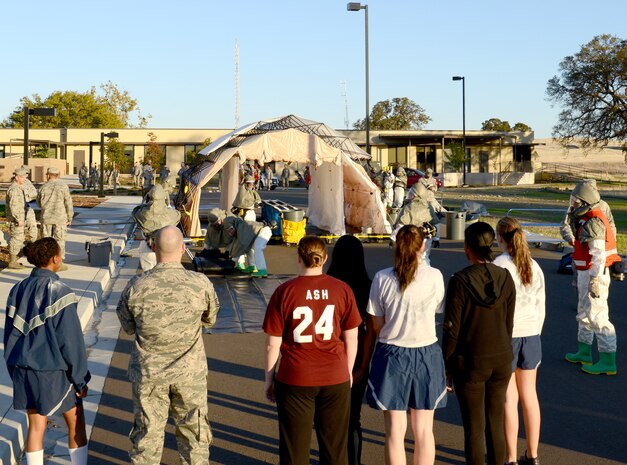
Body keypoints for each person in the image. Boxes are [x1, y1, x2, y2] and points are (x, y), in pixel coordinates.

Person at [116, 226, 220, 465]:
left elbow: (128, 326)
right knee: (194, 437)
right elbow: (210, 319)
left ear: (153, 248)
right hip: (189, 373)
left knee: (147, 439)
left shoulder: (137, 285)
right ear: (183, 248)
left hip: (149, 374)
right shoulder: (200, 283)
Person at [263, 236, 361, 465]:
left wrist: (269, 379)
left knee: (294, 451)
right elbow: (352, 337)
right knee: (335, 450)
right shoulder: (342, 289)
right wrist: (347, 372)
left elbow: (272, 343)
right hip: (334, 375)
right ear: (324, 258)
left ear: (298, 258)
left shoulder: (284, 291)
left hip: (295, 376)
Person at [365, 225, 447, 465]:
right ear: (422, 246)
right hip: (426, 353)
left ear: (396, 245)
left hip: (391, 354)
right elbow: (437, 310)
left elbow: (377, 325)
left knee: (394, 431)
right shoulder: (435, 276)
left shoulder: (382, 278)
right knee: (423, 431)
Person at [4, 237, 90, 465]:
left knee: (36, 425)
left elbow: (9, 335)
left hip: (24, 369)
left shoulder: (17, 290)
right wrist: (80, 379)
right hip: (54, 373)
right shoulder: (61, 292)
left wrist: (14, 369)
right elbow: (71, 342)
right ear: (55, 259)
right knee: (75, 423)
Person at [442, 221, 516, 465]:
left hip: (471, 361)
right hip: (502, 357)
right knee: (495, 421)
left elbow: (453, 328)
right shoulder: (505, 277)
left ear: (467, 247)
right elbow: (508, 322)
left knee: (474, 427)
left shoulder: (460, 281)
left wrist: (447, 364)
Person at [494, 217, 545, 465]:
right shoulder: (534, 265)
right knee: (530, 396)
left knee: (509, 399)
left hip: (508, 335)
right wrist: (536, 330)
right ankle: (532, 454)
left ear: (500, 238)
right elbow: (540, 305)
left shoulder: (500, 264)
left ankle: (511, 457)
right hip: (531, 334)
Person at [563, 181, 621, 375]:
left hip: (594, 273)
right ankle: (584, 352)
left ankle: (607, 361)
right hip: (585, 271)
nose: (573, 204)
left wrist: (595, 280)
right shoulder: (585, 217)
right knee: (584, 313)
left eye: (576, 201)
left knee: (598, 316)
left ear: (585, 201)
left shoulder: (594, 221)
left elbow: (599, 255)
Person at [326, 235, 373, 465]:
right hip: (358, 360)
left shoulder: (328, 285)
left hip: (330, 359)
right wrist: (364, 364)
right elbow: (372, 329)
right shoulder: (368, 286)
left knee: (329, 418)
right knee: (353, 418)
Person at [204, 207, 272, 277]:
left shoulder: (238, 229)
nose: (230, 233)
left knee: (258, 247)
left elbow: (240, 246)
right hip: (257, 232)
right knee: (250, 248)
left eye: (231, 231)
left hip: (264, 230)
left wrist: (231, 262)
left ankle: (262, 270)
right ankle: (252, 266)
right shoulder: (237, 227)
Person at [132, 184, 181, 271]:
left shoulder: (142, 213)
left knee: (148, 276)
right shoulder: (171, 215)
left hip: (148, 248)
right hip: (166, 249)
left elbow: (135, 212)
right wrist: (168, 206)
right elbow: (178, 215)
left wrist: (144, 203)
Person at [393, 182, 440, 265]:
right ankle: (425, 272)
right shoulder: (428, 207)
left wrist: (393, 238)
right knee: (424, 257)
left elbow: (401, 225)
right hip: (426, 237)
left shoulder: (408, 207)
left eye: (411, 193)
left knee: (410, 258)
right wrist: (436, 238)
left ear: (416, 195)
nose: (409, 195)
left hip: (411, 238)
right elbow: (436, 223)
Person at [37, 167, 74, 271]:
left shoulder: (43, 187)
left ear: (48, 175)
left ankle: (46, 263)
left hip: (46, 218)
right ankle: (59, 263)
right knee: (60, 240)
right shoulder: (63, 186)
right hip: (60, 218)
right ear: (58, 175)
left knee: (46, 241)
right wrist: (70, 216)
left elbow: (38, 203)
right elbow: (68, 202)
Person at [6, 167, 31, 269]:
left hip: (20, 218)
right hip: (17, 219)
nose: (24, 179)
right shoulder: (15, 189)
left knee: (19, 238)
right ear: (16, 177)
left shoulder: (18, 187)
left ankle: (13, 260)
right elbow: (14, 205)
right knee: (17, 239)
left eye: (25, 177)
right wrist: (18, 219)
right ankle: (12, 261)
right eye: (22, 177)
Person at [20, 167, 39, 245]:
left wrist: (28, 196)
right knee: (20, 228)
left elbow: (34, 193)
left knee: (32, 225)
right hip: (19, 208)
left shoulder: (28, 182)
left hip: (28, 206)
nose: (27, 175)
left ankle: (33, 243)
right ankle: (21, 244)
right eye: (25, 173)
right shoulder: (16, 183)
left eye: (27, 173)